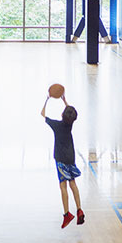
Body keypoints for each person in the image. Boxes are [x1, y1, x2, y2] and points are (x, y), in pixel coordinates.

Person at [41, 92, 84, 228]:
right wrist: (65, 101)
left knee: (63, 186)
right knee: (73, 183)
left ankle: (67, 214)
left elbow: (43, 114)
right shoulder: (69, 125)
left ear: (61, 115)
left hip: (60, 158)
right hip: (71, 156)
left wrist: (47, 100)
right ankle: (79, 209)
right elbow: (70, 113)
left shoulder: (56, 125)